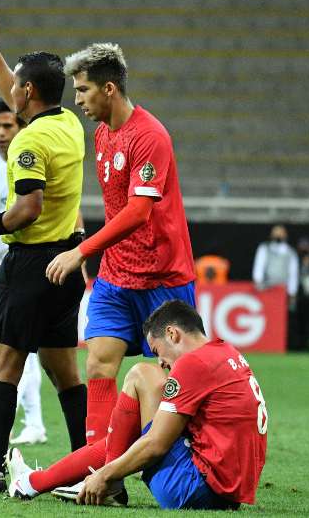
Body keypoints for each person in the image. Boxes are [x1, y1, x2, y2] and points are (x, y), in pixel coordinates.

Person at [0, 10, 88, 493]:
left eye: (18, 85)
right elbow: (19, 84)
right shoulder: (69, 122)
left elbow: (28, 208)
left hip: (31, 262)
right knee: (65, 372)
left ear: (27, 95)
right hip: (67, 262)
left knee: (5, 366)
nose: (11, 89)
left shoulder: (27, 143)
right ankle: (86, 463)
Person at [43, 42, 196, 447]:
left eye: (82, 90)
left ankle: (172, 461)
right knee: (97, 364)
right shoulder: (102, 135)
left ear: (108, 89)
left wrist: (82, 249)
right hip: (116, 276)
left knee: (171, 376)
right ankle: (100, 467)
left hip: (163, 276)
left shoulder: (150, 136)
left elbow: (138, 211)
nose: (76, 100)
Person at [6, 300, 268, 510]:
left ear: (172, 334)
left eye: (157, 351)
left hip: (192, 489)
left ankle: (104, 484)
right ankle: (32, 482)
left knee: (141, 375)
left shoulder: (192, 364)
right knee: (125, 437)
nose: (161, 363)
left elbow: (155, 446)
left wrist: (105, 474)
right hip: (229, 496)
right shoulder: (227, 352)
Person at [0, 96, 48, 446]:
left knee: (22, 347)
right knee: (18, 347)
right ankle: (32, 422)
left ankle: (30, 421)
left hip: (32, 261)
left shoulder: (32, 160)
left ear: (21, 126)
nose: (2, 133)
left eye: (9, 125)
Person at [252, 224, 299, 308]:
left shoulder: (291, 252)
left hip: (282, 290)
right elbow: (259, 266)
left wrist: (292, 292)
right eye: (275, 232)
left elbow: (293, 273)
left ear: (285, 235)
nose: (278, 235)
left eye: (280, 233)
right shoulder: (264, 248)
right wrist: (258, 283)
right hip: (266, 288)